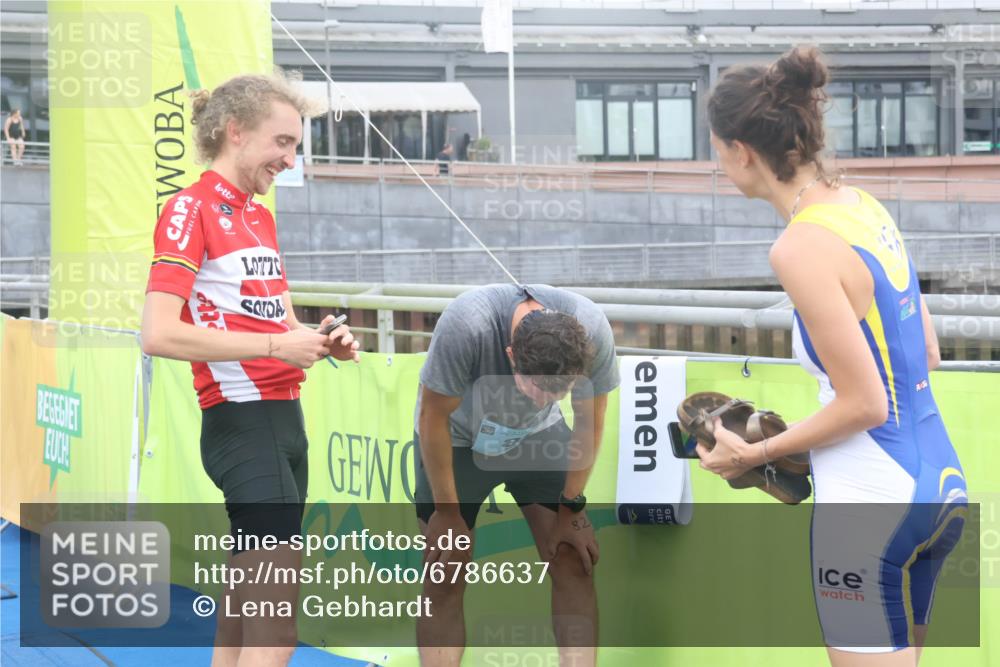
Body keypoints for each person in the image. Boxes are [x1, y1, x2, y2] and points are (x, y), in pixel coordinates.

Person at [697, 47, 967, 666]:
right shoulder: (861, 206)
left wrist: (758, 453)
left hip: (869, 506)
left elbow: (865, 403)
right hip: (942, 484)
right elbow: (925, 353)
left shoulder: (798, 247)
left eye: (716, 151)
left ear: (740, 150)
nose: (719, 165)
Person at [141, 73, 360, 667]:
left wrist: (320, 338)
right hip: (243, 425)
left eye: (296, 145)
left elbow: (279, 322)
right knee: (277, 628)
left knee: (244, 611)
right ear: (235, 132)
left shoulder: (258, 216)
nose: (291, 160)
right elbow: (157, 333)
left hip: (284, 424)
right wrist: (271, 349)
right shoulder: (190, 208)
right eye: (282, 143)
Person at [414, 283, 619, 667]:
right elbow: (432, 418)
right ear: (511, 356)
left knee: (572, 556)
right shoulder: (467, 325)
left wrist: (572, 506)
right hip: (458, 438)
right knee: (446, 567)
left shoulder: (591, 328)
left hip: (536, 437)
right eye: (536, 388)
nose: (544, 400)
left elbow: (590, 423)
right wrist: (446, 512)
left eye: (558, 393)